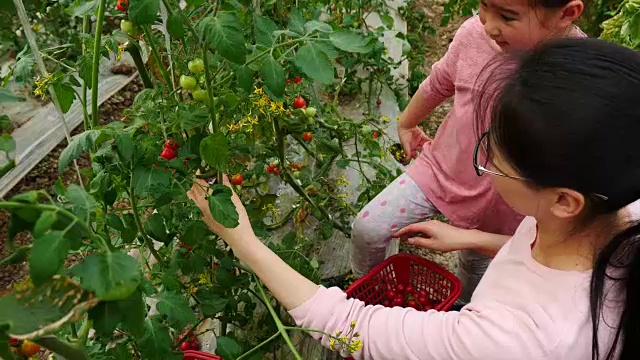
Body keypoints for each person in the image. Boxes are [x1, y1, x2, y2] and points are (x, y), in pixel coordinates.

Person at [188, 38, 640, 359]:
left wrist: (241, 238)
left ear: (564, 200)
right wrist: (472, 238)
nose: (484, 162)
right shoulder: (616, 210)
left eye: (493, 161)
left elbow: (348, 328)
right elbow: (557, 268)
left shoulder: (519, 339)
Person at [330, 0, 588, 302]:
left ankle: (462, 305)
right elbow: (440, 82)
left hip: (508, 200)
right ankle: (367, 286)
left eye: (507, 16)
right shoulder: (474, 35)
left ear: (566, 14)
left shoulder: (578, 71)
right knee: (370, 226)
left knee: (476, 264)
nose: (489, 25)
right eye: (483, 5)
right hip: (445, 166)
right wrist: (407, 123)